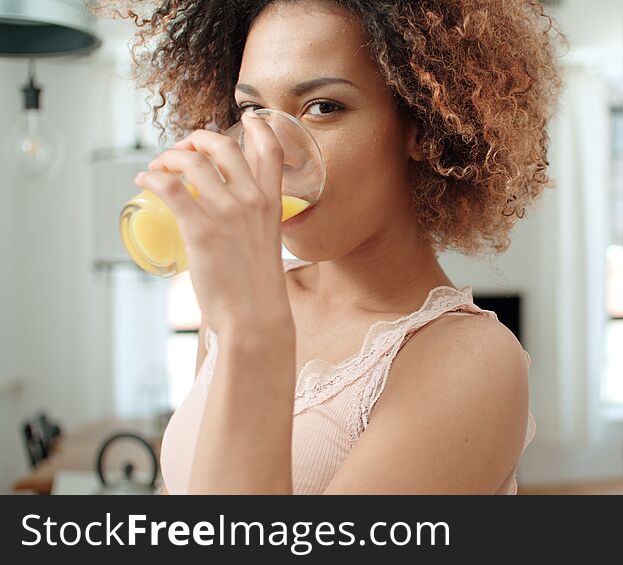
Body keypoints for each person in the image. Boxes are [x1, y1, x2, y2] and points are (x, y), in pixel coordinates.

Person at [107, 0, 561, 494]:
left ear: (421, 126)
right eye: (253, 110)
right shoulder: (244, 305)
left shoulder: (471, 361)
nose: (270, 152)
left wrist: (251, 332)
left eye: (323, 107)